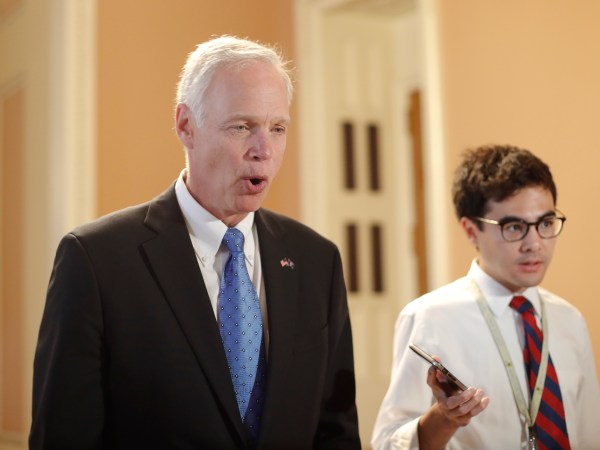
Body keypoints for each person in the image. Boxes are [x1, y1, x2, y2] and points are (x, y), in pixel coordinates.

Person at [30, 35, 360, 449]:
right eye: (242, 127)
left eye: (277, 129)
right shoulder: (96, 262)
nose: (263, 150)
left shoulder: (317, 261)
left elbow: (336, 433)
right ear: (186, 125)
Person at [371, 145, 600, 449]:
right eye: (514, 227)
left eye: (545, 223)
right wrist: (444, 418)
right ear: (470, 231)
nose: (535, 244)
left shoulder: (568, 319)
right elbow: (388, 443)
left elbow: (589, 432)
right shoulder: (431, 317)